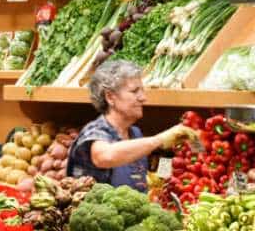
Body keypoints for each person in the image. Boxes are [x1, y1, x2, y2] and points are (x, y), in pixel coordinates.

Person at [67, 59, 197, 191]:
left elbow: (141, 177)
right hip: (96, 210)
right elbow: (104, 156)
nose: (143, 98)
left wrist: (165, 175)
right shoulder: (95, 132)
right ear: (110, 97)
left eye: (142, 91)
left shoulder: (135, 133)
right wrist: (159, 139)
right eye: (135, 91)